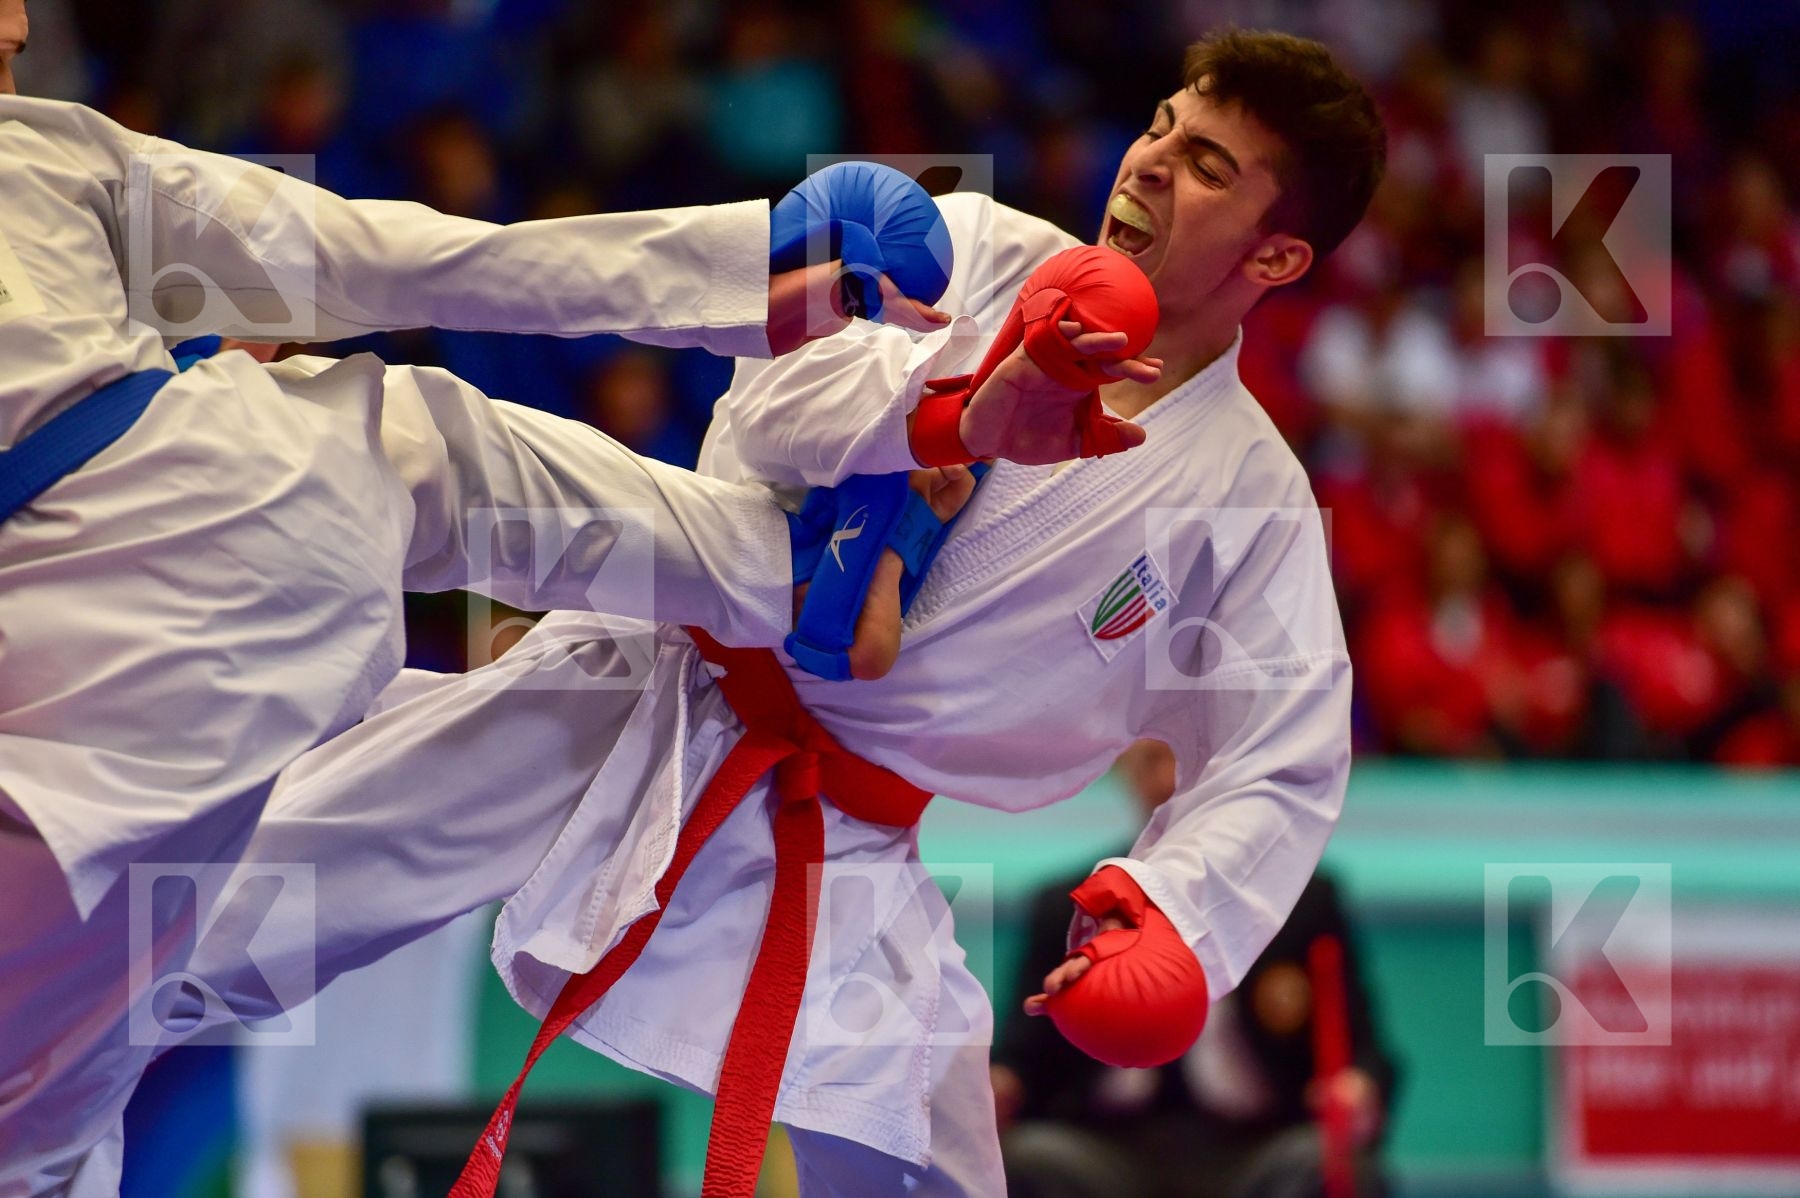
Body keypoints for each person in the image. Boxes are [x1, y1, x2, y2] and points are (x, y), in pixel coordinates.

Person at [192, 27, 1383, 1197]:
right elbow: (771, 392)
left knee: (930, 1161)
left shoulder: (1250, 499)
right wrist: (958, 403)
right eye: (1163, 125)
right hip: (646, 683)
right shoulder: (973, 247)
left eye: (1210, 163)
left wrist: (1178, 912)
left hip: (852, 831)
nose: (1153, 160)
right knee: (255, 907)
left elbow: (1286, 751)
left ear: (1276, 260)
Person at [0, 34, 1115, 1189]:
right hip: (263, 501)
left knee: (97, 1049)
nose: (18, 55)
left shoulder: (42, 144)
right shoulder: (53, 149)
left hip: (117, 663)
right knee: (423, 444)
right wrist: (758, 267)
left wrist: (759, 272)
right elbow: (400, 259)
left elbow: (376, 261)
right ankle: (782, 562)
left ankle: (785, 561)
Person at [994, 740, 1398, 1198]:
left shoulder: (1298, 900)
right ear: (1125, 770)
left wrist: (1356, 1089)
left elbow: (1363, 1051)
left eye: (1188, 763)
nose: (1170, 781)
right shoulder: (1073, 904)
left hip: (1255, 1146)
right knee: (1028, 1159)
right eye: (1152, 761)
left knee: (1331, 1163)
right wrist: (1000, 1087)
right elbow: (1021, 1054)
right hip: (1106, 1146)